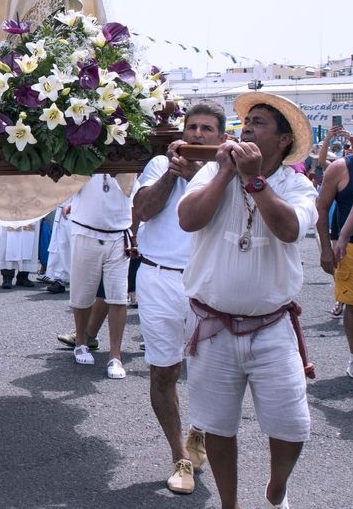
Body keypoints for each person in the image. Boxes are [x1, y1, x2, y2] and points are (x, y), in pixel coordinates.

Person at [176, 92, 318, 509]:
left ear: (283, 142)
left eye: (259, 123)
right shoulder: (211, 174)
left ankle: (276, 487)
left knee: (292, 427)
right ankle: (230, 504)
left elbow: (290, 229)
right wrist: (224, 173)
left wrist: (255, 181)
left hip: (271, 328)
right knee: (218, 427)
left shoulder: (297, 184)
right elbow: (188, 220)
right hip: (213, 326)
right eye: (247, 121)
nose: (247, 128)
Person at [129, 101, 225, 494]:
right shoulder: (157, 166)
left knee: (209, 372)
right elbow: (143, 211)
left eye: (206, 129)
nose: (197, 135)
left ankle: (198, 432)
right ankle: (179, 455)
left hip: (209, 282)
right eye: (192, 128)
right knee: (164, 370)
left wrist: (204, 174)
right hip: (158, 279)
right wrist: (172, 173)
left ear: (221, 137)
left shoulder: (226, 170)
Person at [66, 173, 133, 378]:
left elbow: (134, 194)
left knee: (118, 297)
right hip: (85, 229)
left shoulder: (128, 157)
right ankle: (80, 342)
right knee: (82, 294)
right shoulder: (85, 149)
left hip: (119, 231)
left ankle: (115, 355)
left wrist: (135, 234)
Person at [315, 123, 353, 378]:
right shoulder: (340, 168)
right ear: (352, 140)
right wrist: (325, 248)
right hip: (351, 248)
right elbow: (321, 207)